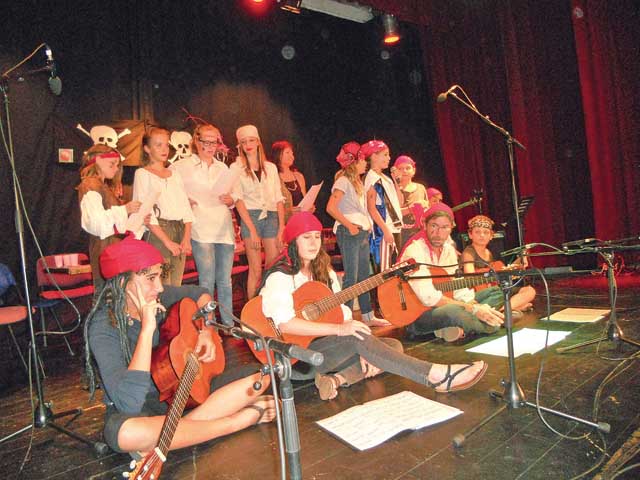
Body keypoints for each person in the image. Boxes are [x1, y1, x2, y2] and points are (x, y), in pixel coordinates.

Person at [259, 212, 489, 399]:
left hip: (325, 350)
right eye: (306, 237)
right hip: (295, 359)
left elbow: (342, 314)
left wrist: (356, 335)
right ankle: (435, 375)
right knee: (360, 340)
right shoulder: (280, 276)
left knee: (392, 346)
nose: (313, 243)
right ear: (293, 242)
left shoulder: (324, 273)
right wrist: (342, 331)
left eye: (317, 237)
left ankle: (336, 379)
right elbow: (285, 325)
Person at [83, 236, 275, 457]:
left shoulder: (160, 295)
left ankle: (174, 435)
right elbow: (129, 404)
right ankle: (235, 421)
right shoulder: (102, 326)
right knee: (125, 434)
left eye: (159, 276)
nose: (159, 287)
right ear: (122, 283)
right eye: (151, 278)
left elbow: (201, 295)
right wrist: (147, 330)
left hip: (186, 390)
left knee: (261, 377)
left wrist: (207, 331)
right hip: (144, 407)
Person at [399, 203, 505, 342]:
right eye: (434, 226)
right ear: (425, 225)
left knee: (496, 292)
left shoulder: (448, 250)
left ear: (451, 229)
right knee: (454, 311)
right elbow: (428, 297)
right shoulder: (414, 251)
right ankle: (494, 322)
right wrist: (473, 309)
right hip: (420, 314)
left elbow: (456, 285)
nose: (438, 233)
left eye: (444, 227)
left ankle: (459, 327)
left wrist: (474, 304)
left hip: (447, 303)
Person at [172, 123, 236, 326]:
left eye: (213, 142)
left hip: (223, 229)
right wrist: (183, 200)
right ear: (196, 141)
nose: (209, 146)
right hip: (200, 229)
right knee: (206, 281)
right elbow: (169, 191)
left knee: (225, 281)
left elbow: (235, 195)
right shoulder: (181, 166)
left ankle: (228, 324)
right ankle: (209, 325)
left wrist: (231, 200)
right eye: (205, 142)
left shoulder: (223, 167)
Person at [326, 142, 389, 327]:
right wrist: (349, 225)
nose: (365, 164)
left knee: (363, 277)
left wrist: (366, 226)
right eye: (362, 160)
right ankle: (345, 318)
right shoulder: (343, 181)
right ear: (354, 161)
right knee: (351, 278)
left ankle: (368, 316)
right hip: (349, 232)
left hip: (360, 233)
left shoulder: (357, 183)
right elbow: (331, 207)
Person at [133, 127, 194, 286]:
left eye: (166, 145)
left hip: (179, 229)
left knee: (176, 285)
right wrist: (167, 241)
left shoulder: (175, 174)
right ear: (147, 149)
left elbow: (185, 207)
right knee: (162, 284)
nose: (164, 149)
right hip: (159, 233)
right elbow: (146, 212)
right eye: (158, 145)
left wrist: (186, 238)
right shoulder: (142, 174)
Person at [231, 125, 285, 298]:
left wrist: (281, 227)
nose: (248, 145)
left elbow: (278, 198)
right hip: (251, 216)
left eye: (251, 140)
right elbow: (238, 200)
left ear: (258, 142)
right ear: (239, 145)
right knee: (255, 269)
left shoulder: (271, 168)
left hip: (271, 216)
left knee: (274, 267)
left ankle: (271, 304)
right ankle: (252, 310)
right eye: (243, 142)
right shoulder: (236, 168)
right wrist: (252, 230)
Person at [77, 144, 141, 292]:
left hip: (112, 247)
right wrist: (125, 210)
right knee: (108, 293)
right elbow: (95, 223)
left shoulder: (102, 186)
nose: (116, 169)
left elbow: (112, 221)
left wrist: (135, 218)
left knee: (116, 292)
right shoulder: (90, 184)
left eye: (117, 165)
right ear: (97, 161)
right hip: (104, 248)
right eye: (112, 164)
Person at [461, 215, 535, 314]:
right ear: (470, 235)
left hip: (494, 290)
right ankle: (512, 308)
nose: (482, 235)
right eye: (477, 232)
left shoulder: (488, 252)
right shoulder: (468, 252)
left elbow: (497, 271)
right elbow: (470, 276)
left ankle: (504, 310)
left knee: (529, 291)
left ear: (491, 236)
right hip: (480, 294)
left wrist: (518, 262)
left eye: (486, 232)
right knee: (500, 294)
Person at [362, 140, 403, 272]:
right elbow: (371, 208)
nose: (389, 158)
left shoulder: (385, 178)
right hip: (384, 230)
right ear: (374, 156)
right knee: (385, 272)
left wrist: (397, 181)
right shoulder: (372, 178)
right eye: (385, 155)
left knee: (395, 268)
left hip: (394, 228)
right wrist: (385, 230)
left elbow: (400, 202)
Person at [393, 155, 430, 248]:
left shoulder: (420, 188)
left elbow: (427, 209)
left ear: (414, 170)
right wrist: (410, 209)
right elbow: (391, 214)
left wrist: (424, 208)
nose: (404, 171)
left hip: (419, 232)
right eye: (400, 168)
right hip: (400, 233)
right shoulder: (391, 189)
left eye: (408, 168)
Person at [271, 140, 310, 222]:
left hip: (301, 220)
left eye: (292, 154)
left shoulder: (298, 176)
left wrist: (309, 207)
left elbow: (305, 199)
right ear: (278, 155)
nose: (292, 156)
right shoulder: (273, 177)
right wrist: (289, 212)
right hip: (284, 223)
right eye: (287, 153)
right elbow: (271, 206)